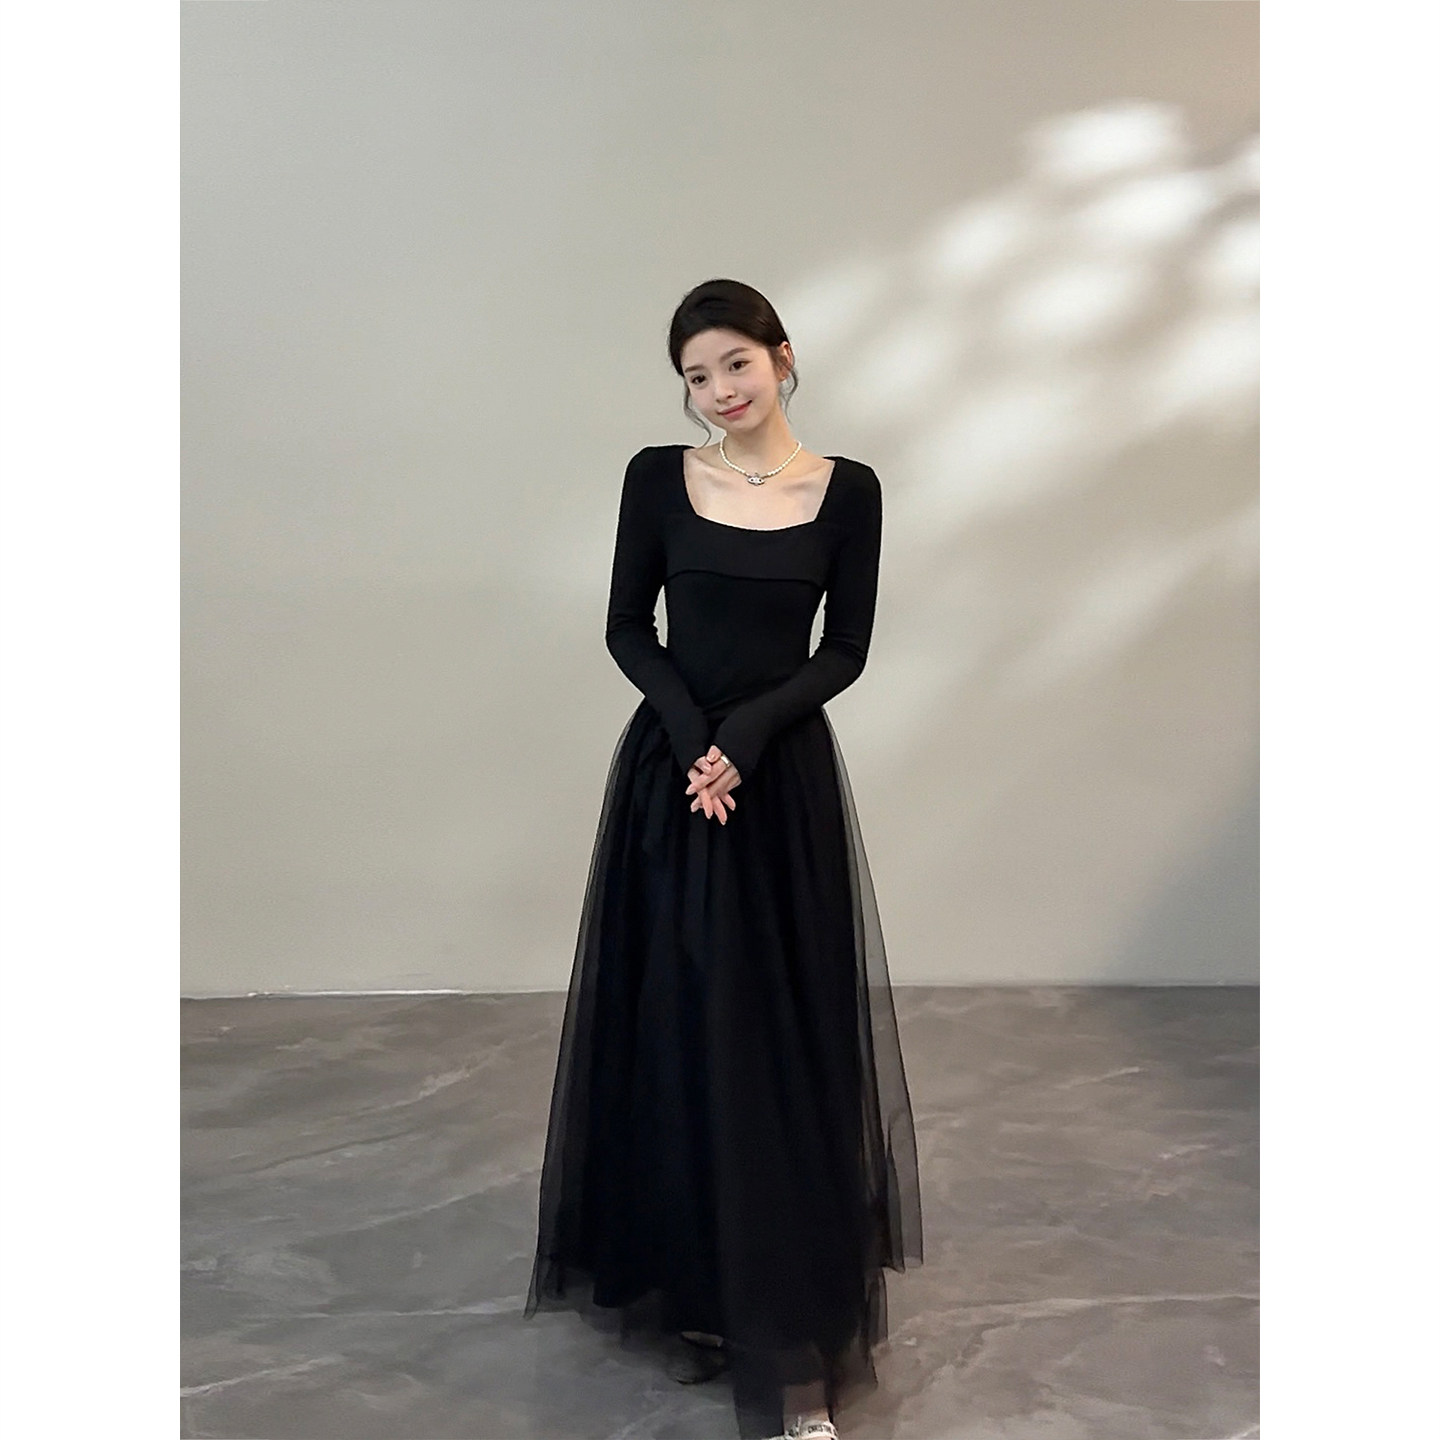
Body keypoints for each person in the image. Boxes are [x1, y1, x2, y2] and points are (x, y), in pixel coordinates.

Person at [523, 278, 923, 1440]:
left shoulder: (849, 491)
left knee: (778, 1042)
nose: (718, 391)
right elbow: (626, 626)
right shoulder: (658, 478)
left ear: (782, 358)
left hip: (778, 785)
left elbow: (844, 648)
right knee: (676, 1024)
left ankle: (788, 1334)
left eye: (735, 363)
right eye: (696, 376)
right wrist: (694, 740)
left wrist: (743, 739)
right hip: (674, 784)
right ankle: (689, 1271)